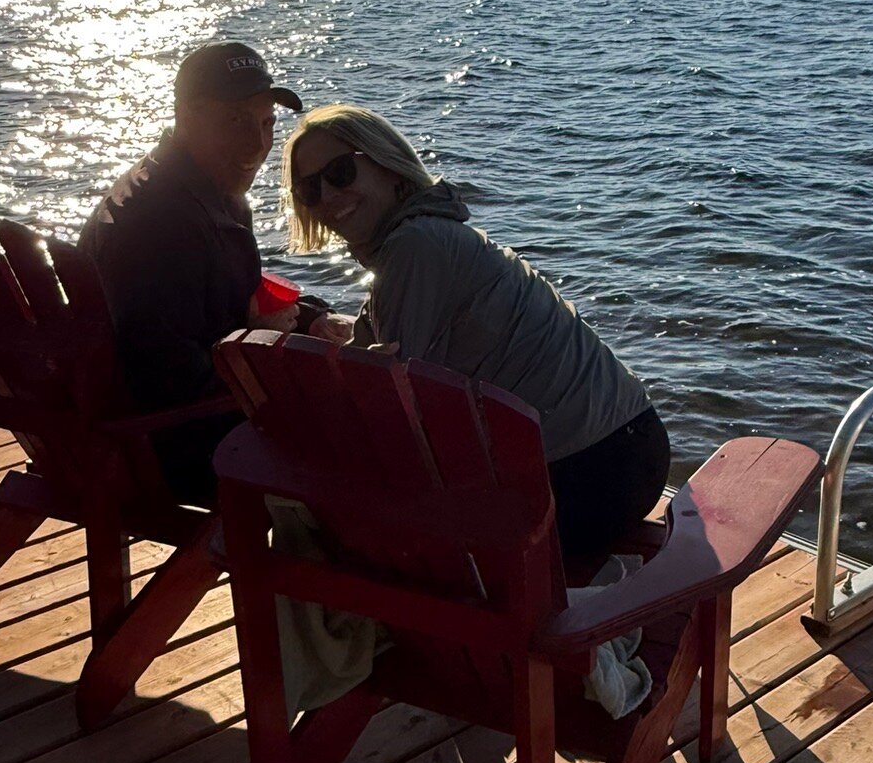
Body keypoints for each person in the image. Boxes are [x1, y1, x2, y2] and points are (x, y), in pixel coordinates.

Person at [283, 104, 671, 557]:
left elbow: (386, 396)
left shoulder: (416, 244)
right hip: (620, 452)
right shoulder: (424, 240)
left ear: (388, 165)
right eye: (310, 188)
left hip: (593, 472)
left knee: (362, 534)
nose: (328, 196)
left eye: (341, 172)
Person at [80, 40, 337, 503]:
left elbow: (220, 295)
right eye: (234, 121)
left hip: (129, 432)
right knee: (363, 439)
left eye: (266, 124)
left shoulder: (182, 188)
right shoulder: (163, 224)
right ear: (186, 118)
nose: (256, 146)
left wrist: (307, 318)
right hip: (175, 448)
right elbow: (170, 379)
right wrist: (268, 351)